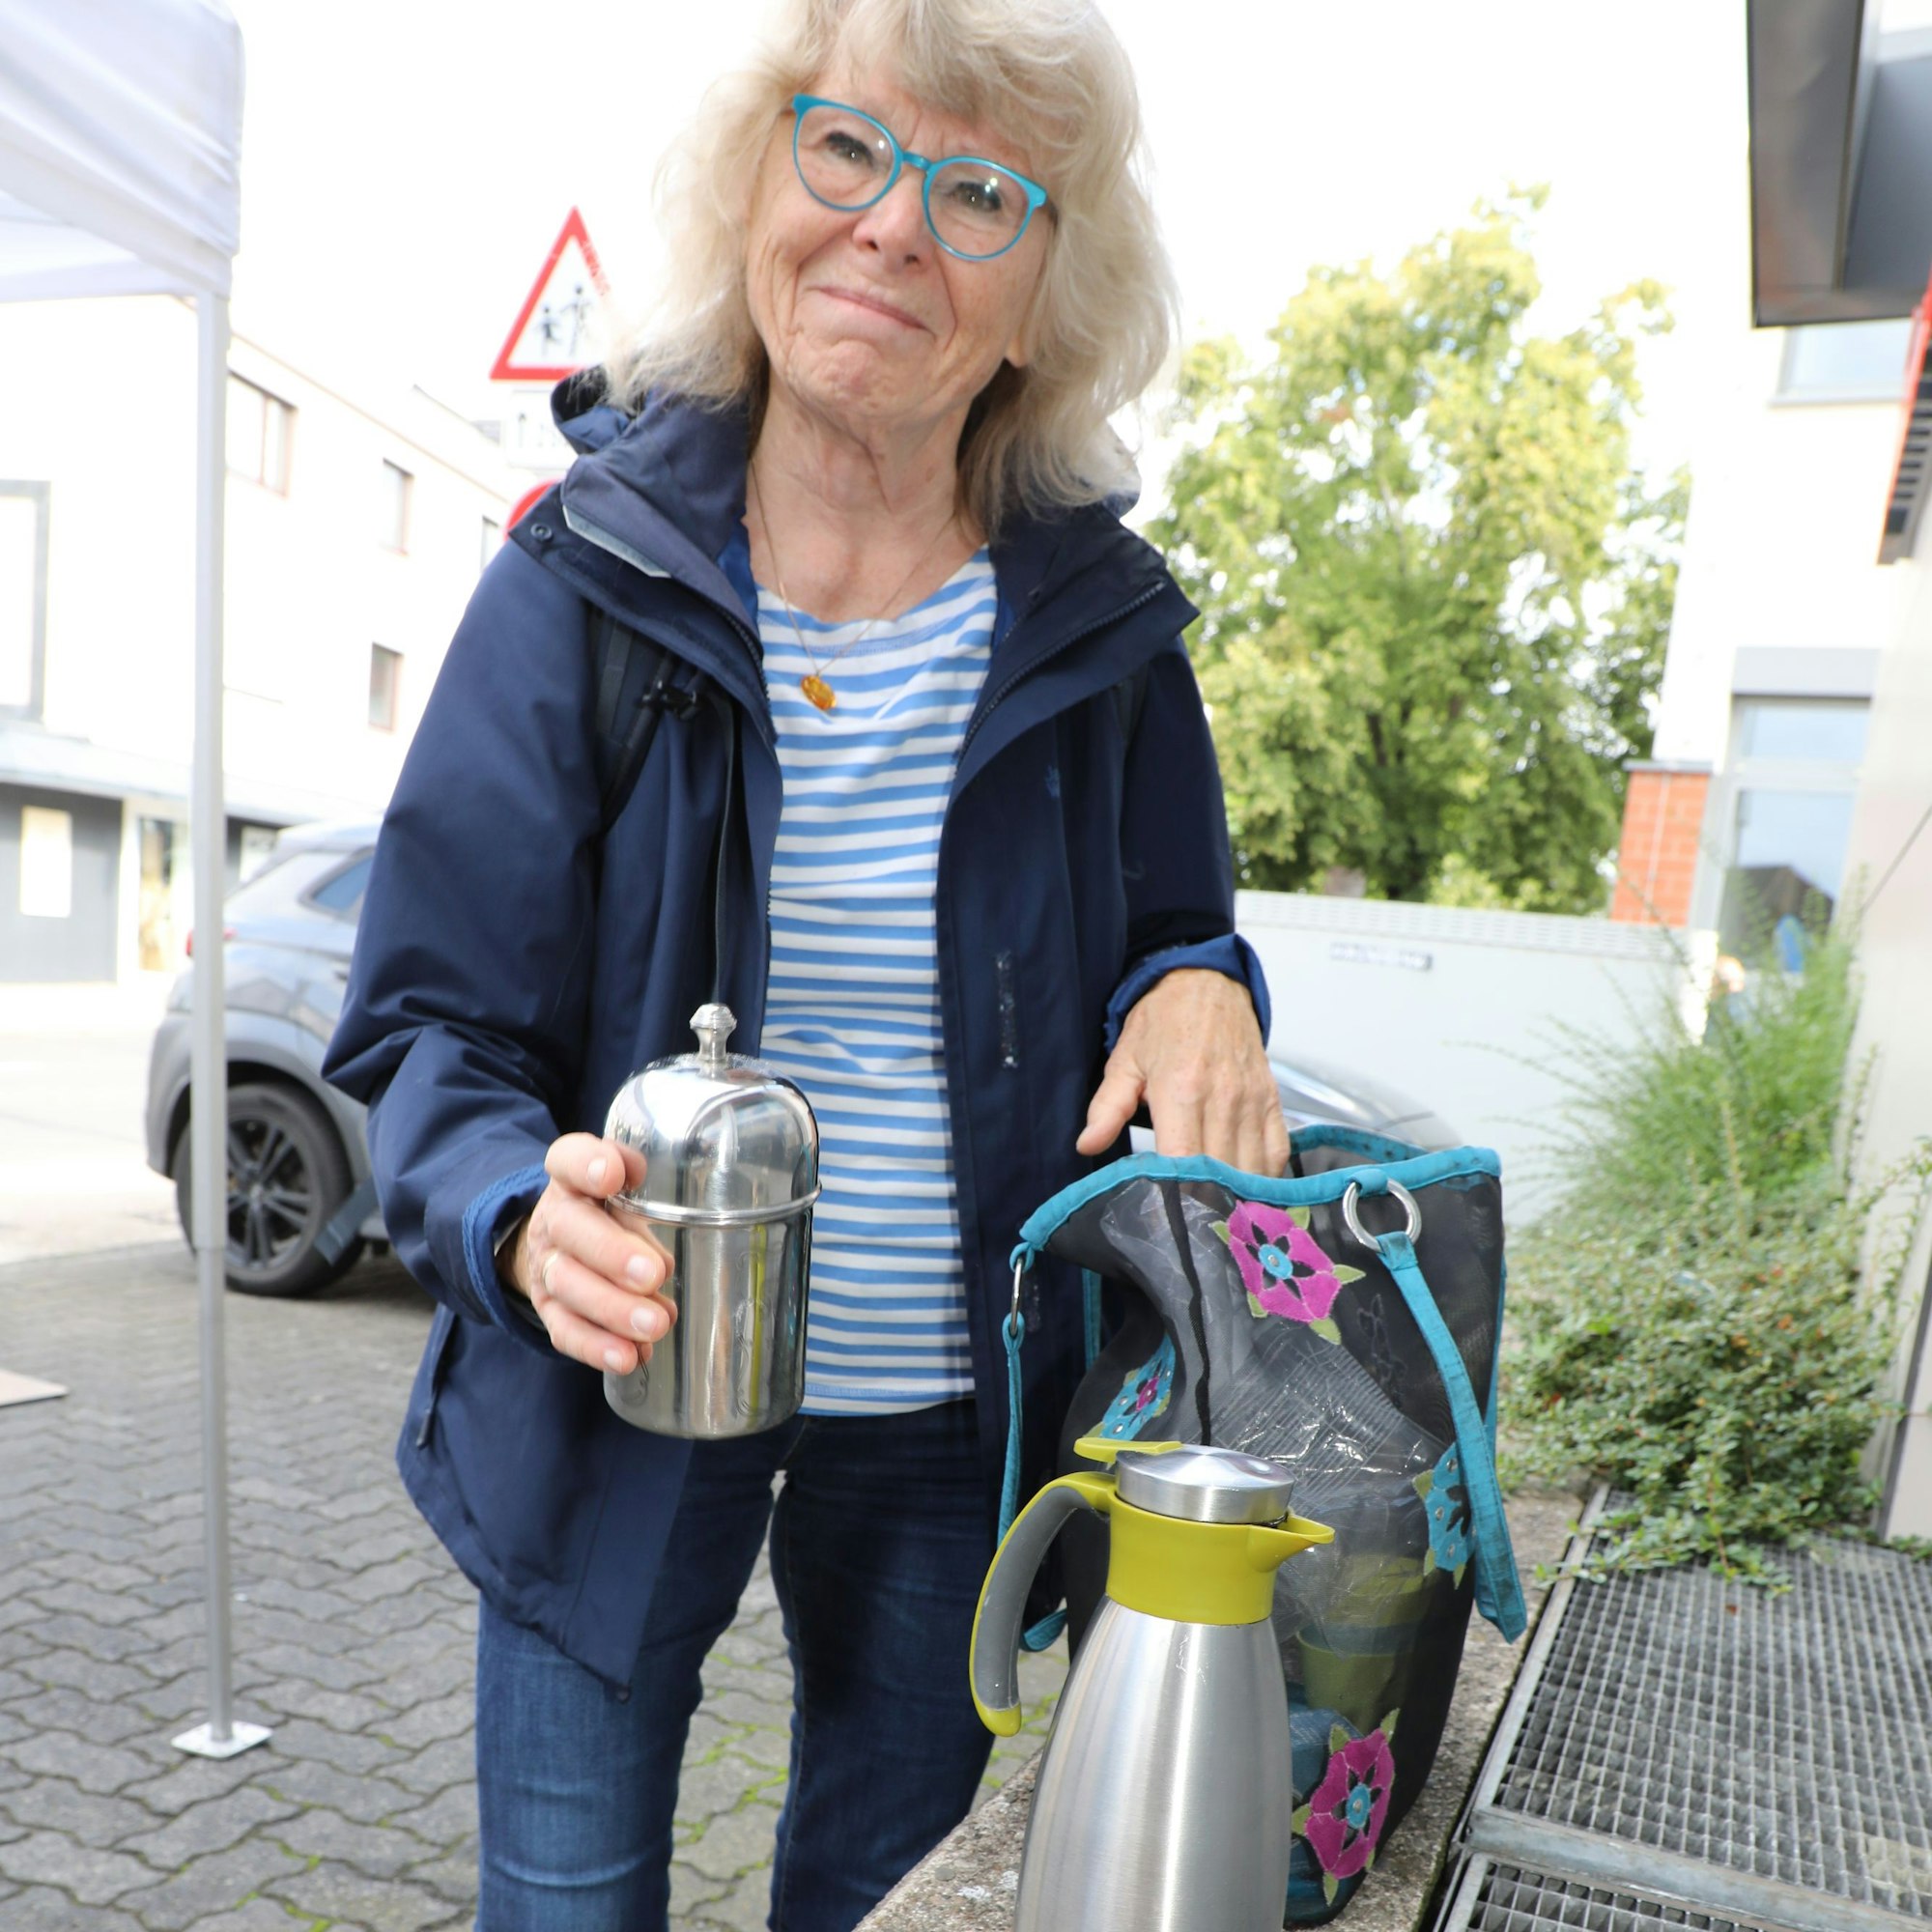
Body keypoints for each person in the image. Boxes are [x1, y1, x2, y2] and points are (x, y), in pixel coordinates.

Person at [325, 1, 1288, 1925]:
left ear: (1039, 297)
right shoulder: (578, 577)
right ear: (759, 181)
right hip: (608, 1399)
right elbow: (428, 1024)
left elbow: (1180, 933)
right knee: (573, 1896)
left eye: (979, 191)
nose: (893, 227)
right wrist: (520, 1216)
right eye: (845, 149)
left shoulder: (1105, 639)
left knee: (887, 1898)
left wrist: (1209, 983)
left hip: (957, 1428)